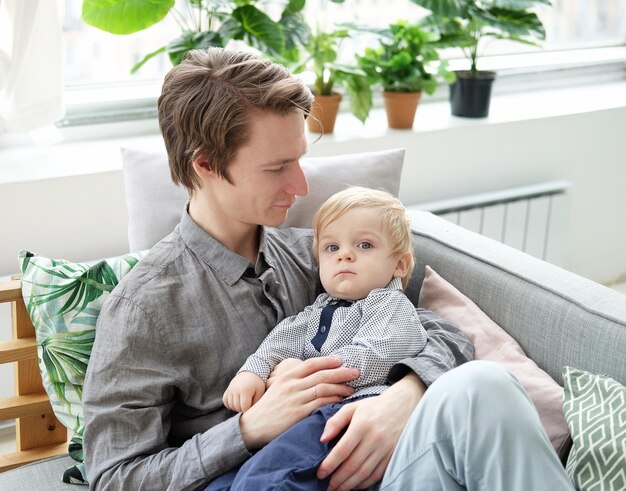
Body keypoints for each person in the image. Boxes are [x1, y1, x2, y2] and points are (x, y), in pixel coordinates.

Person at [82, 47, 573, 491]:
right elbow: (114, 477)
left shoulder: (317, 255)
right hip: (270, 481)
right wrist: (249, 429)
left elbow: (436, 330)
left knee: (484, 385)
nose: (299, 186)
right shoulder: (144, 308)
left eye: (300, 160)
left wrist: (406, 394)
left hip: (383, 469)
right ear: (206, 164)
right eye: (277, 168)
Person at [208, 187, 427, 490]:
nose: (345, 255)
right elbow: (279, 342)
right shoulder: (317, 310)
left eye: (364, 245)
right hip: (304, 416)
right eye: (332, 248)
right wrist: (253, 371)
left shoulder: (389, 304)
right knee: (219, 484)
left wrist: (302, 372)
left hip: (351, 411)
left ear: (399, 265)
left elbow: (376, 358)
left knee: (264, 480)